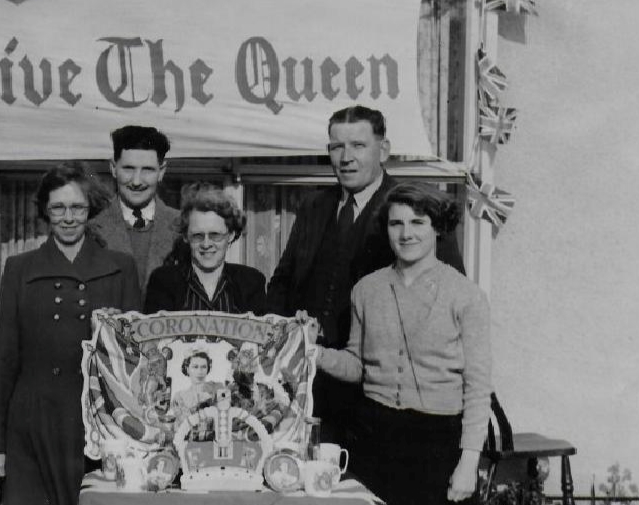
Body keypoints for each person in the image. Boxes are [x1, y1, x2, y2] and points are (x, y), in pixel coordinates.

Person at [0, 164, 141, 505]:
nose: (68, 217)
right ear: (44, 213)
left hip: (92, 433)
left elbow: (134, 363)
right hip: (30, 430)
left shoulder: (119, 268)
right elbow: (4, 358)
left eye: (76, 207)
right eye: (58, 208)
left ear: (90, 210)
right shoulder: (20, 269)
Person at [315, 182, 491, 505]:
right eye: (396, 223)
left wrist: (468, 463)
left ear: (437, 228)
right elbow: (357, 365)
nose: (406, 233)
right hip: (375, 437)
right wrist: (315, 353)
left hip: (437, 442)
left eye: (417, 222)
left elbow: (478, 386)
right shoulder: (366, 290)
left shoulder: (466, 296)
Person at [266, 105, 464, 446]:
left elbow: (446, 297)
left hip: (378, 397)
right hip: (310, 385)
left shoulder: (412, 208)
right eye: (337, 147)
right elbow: (283, 283)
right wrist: (285, 345)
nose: (346, 157)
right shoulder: (314, 206)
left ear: (383, 150)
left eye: (358, 145)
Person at [87, 125, 184, 295]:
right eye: (128, 169)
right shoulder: (90, 227)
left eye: (147, 170)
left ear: (161, 171)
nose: (137, 181)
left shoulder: (184, 226)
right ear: (113, 168)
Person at [144, 184, 266, 314]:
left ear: (230, 235)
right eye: (198, 235)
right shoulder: (164, 281)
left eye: (215, 235)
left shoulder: (251, 282)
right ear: (186, 236)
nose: (206, 244)